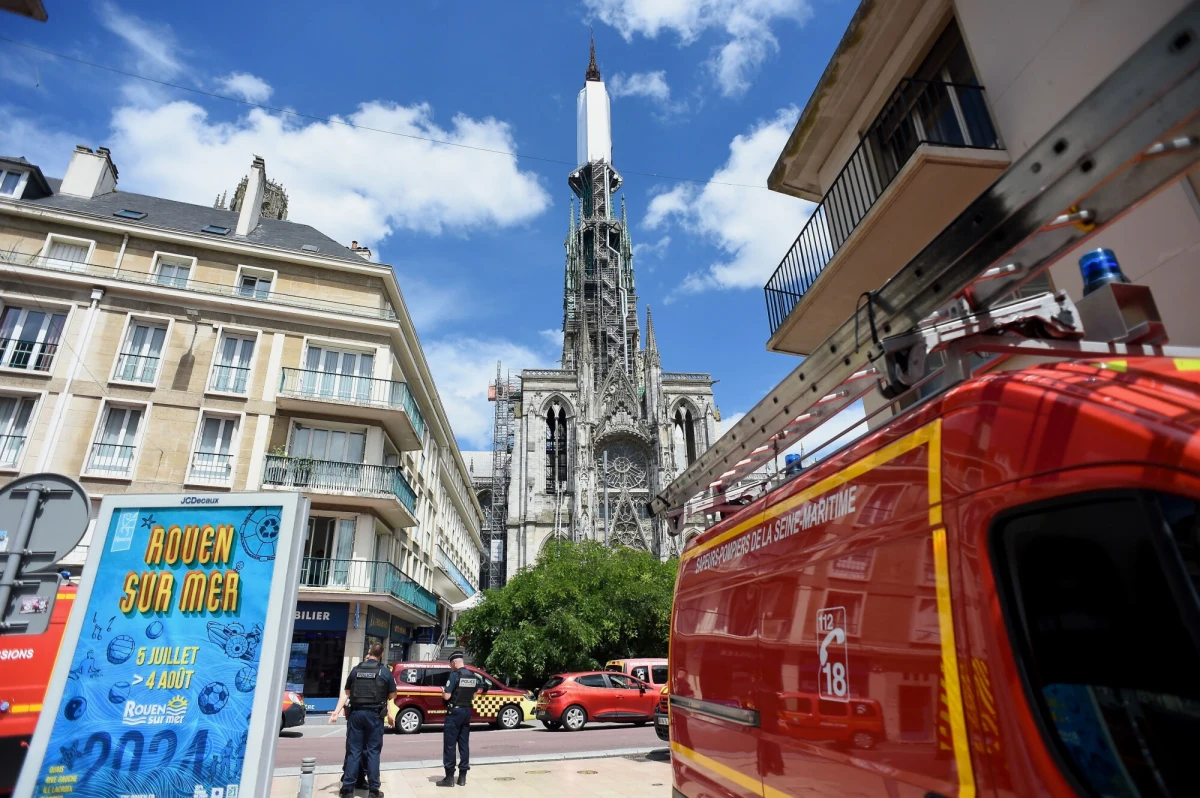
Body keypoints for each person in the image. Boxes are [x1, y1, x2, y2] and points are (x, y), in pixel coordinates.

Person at [340, 643, 397, 797]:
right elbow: (392, 696)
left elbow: (347, 691)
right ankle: (373, 790)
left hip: (356, 714)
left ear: (369, 652)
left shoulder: (356, 670)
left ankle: (347, 790)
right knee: (373, 752)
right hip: (374, 715)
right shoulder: (384, 671)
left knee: (354, 752)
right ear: (382, 654)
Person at [436, 651, 486, 787]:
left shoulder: (454, 675)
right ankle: (462, 777)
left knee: (450, 745)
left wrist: (442, 691)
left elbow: (447, 696)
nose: (450, 667)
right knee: (464, 744)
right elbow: (475, 693)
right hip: (466, 711)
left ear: (454, 662)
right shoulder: (472, 675)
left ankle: (449, 778)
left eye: (451, 664)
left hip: (454, 713)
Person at [329, 691, 371, 791]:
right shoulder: (357, 675)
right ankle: (353, 777)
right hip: (364, 715)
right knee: (358, 749)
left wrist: (336, 711)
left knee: (356, 750)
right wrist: (336, 711)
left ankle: (356, 778)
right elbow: (345, 693)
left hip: (359, 715)